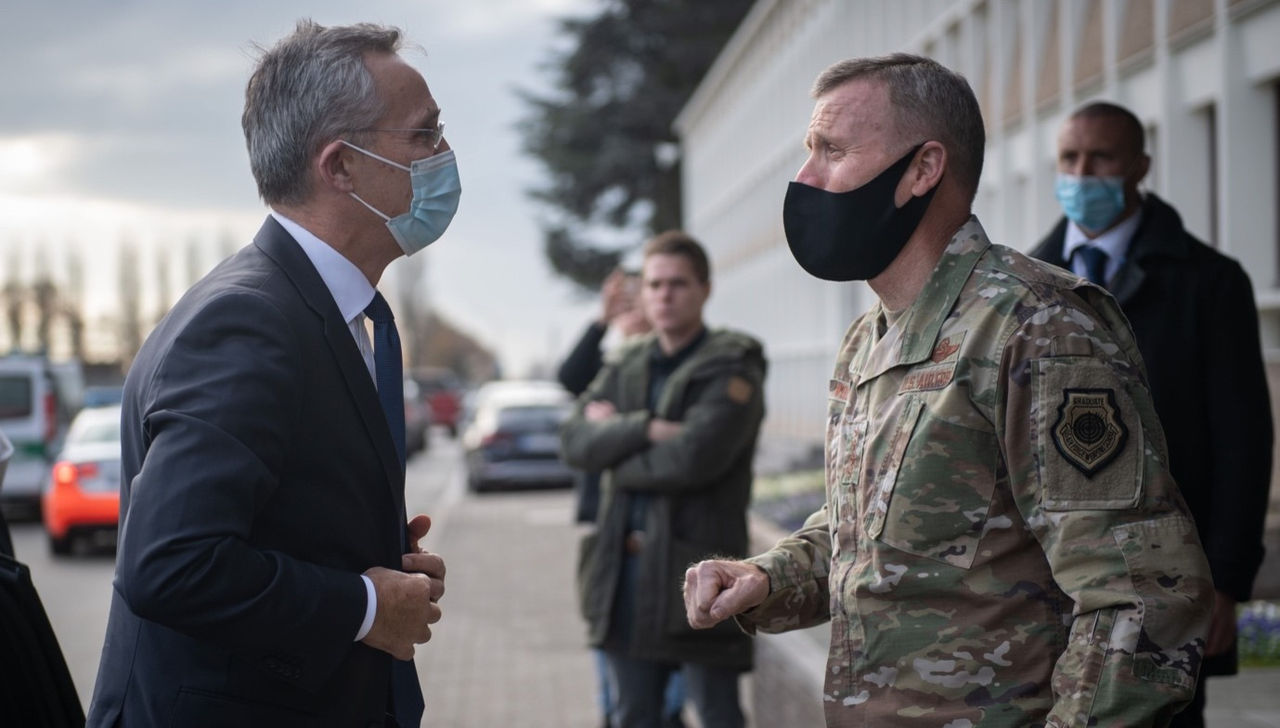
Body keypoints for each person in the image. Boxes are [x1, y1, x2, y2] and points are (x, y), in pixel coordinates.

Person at [682, 54, 1214, 727]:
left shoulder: (1036, 327)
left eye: (832, 150)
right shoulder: (869, 338)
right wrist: (767, 578)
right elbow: (871, 535)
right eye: (807, 152)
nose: (805, 178)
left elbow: (1143, 595)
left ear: (923, 169)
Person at [87, 20, 459, 728]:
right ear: (340, 165)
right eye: (425, 134)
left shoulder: (333, 312)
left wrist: (380, 562)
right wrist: (366, 605)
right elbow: (171, 563)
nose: (444, 155)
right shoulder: (248, 322)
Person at [1030, 101, 1274, 728]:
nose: (1082, 174)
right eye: (1069, 158)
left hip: (1169, 581)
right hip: (1050, 584)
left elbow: (1242, 440)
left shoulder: (1210, 283)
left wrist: (1225, 582)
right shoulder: (1025, 284)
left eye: (1101, 157)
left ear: (1139, 165)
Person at [561, 231, 766, 728]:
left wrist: (615, 449)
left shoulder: (733, 362)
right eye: (653, 285)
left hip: (700, 577)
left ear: (705, 289)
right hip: (623, 583)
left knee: (717, 713)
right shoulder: (627, 360)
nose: (663, 296)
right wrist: (646, 428)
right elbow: (573, 441)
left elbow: (696, 457)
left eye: (677, 284)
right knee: (633, 715)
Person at [559, 270, 688, 728]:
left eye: (644, 300)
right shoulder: (611, 368)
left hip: (664, 533)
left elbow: (680, 445)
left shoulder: (671, 367)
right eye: (627, 304)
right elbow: (569, 379)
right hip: (607, 530)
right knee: (612, 673)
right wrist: (601, 318)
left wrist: (614, 429)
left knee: (667, 693)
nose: (635, 313)